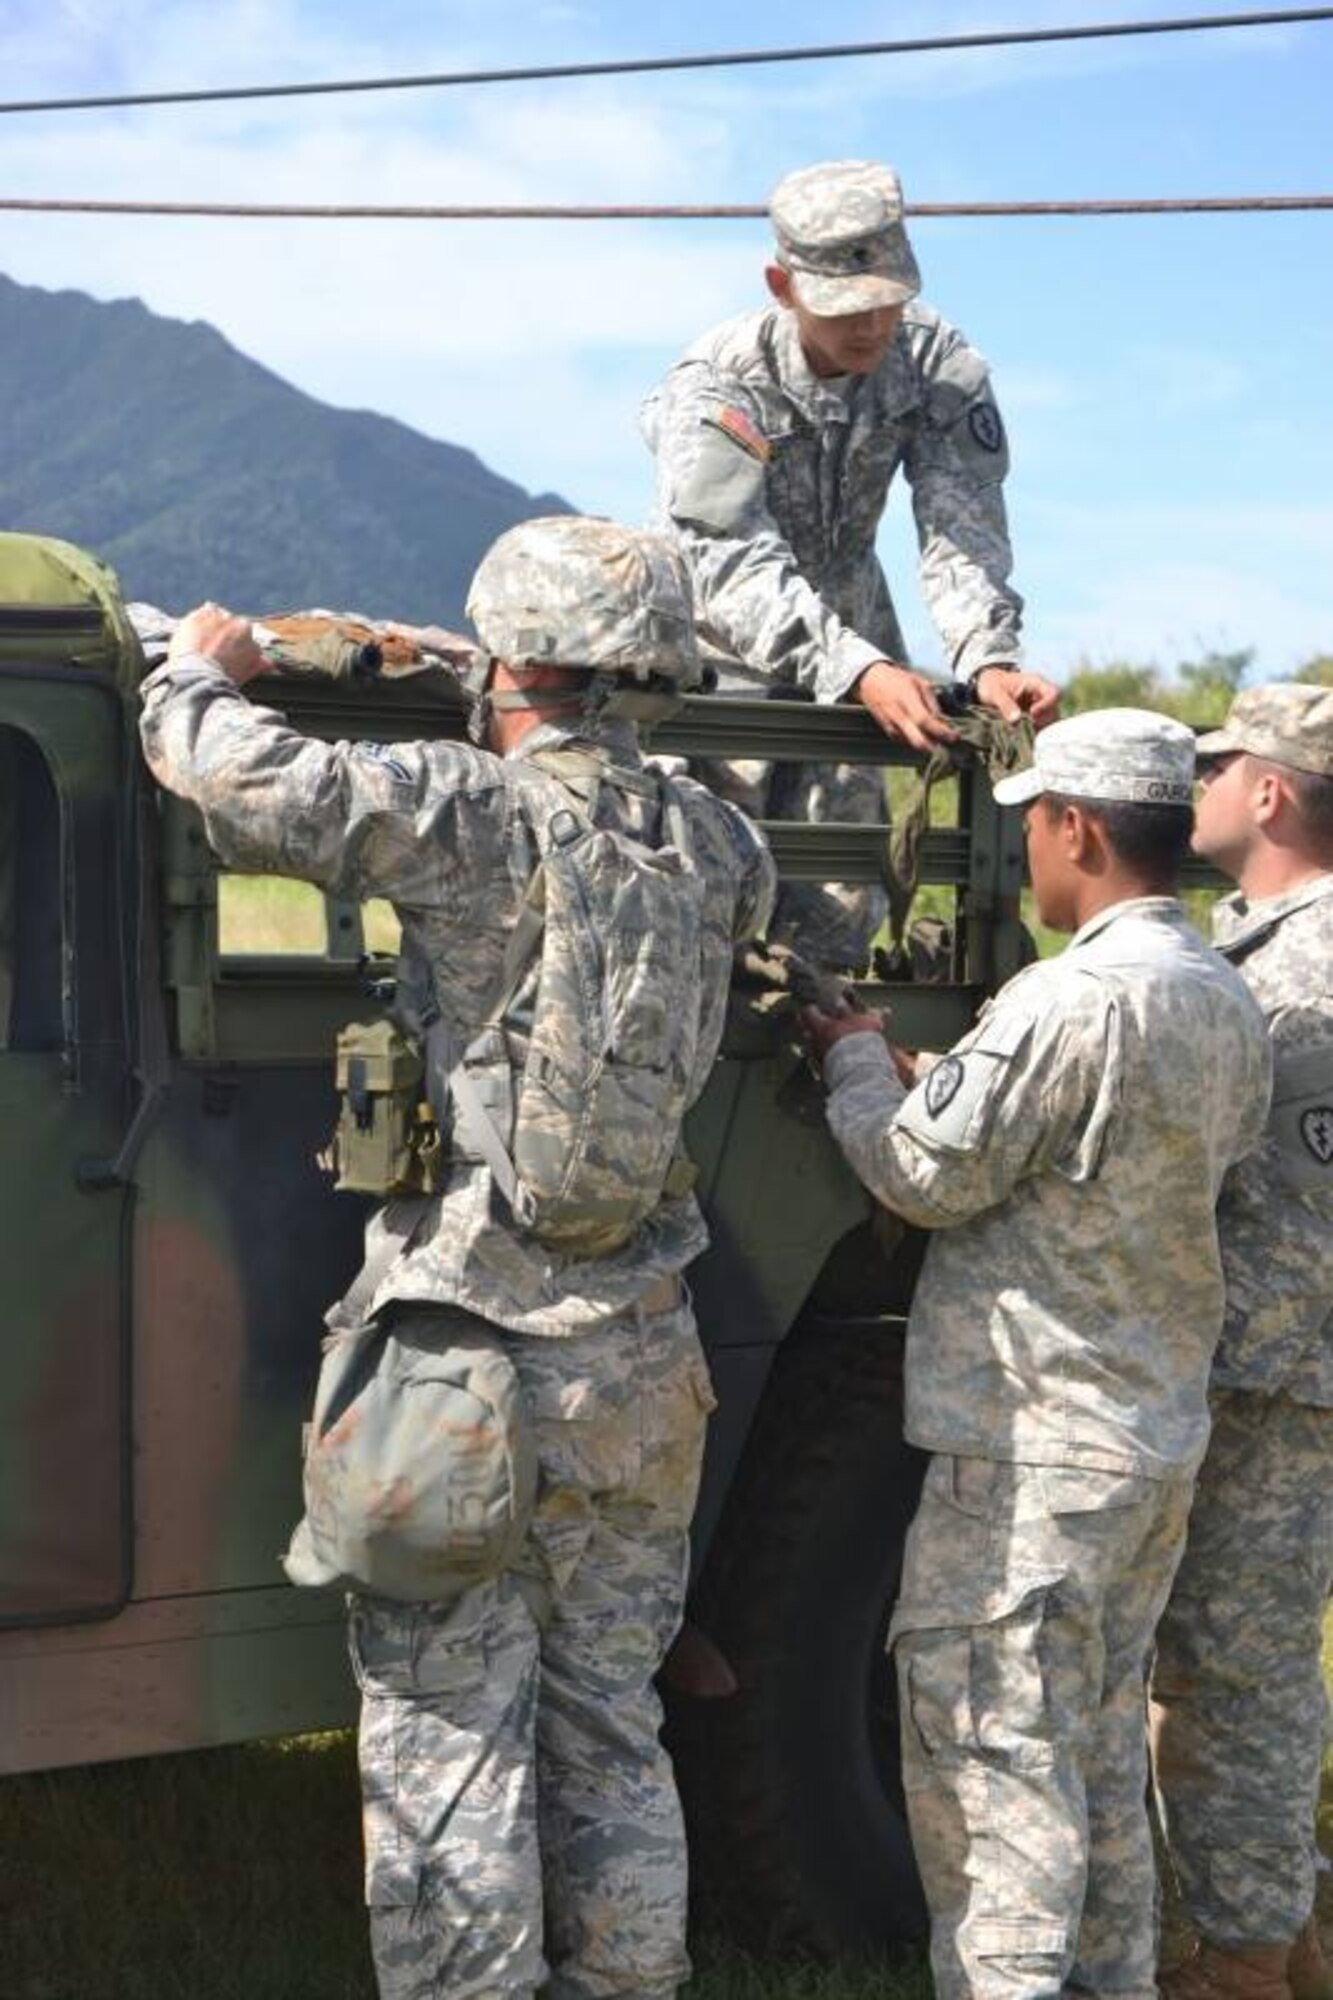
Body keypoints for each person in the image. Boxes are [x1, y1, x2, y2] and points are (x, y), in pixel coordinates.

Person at [138, 516, 776, 2000]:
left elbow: (249, 786)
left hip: (466, 1359)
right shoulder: (720, 841)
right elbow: (607, 813)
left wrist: (197, 672)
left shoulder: (468, 814)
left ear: (514, 656)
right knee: (609, 1723)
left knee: (445, 1739)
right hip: (644, 1349)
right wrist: (486, 693)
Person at [799, 709, 1271, 2000]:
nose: (1029, 856)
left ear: (1076, 826)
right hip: (1146, 1443)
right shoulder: (1219, 991)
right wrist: (944, 1076)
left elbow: (916, 1173)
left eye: (1032, 829)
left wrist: (854, 1065)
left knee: (991, 1774)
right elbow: (1090, 1148)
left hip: (1030, 1460)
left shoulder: (1068, 998)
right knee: (1097, 1767)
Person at [642, 156, 1060, 969]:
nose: (870, 327)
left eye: (886, 301)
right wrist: (856, 669)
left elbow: (961, 523)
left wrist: (987, 658)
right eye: (843, 308)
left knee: (837, 907)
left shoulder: (936, 363)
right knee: (692, 900)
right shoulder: (720, 386)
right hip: (708, 665)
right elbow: (728, 560)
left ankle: (829, 1073)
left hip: (853, 657)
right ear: (780, 284)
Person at [1152, 684, 1333, 2000]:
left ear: (1268, 792)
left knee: (1237, 1672)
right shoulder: (1267, 944)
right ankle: (1280, 1922)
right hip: (1279, 1359)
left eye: (1215, 765)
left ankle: (1245, 1957)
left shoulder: (1293, 964)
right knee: (1241, 1661)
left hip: (1275, 1367)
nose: (1195, 785)